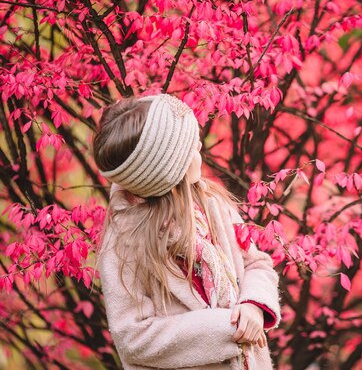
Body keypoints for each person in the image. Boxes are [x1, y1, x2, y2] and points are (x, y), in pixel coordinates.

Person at [92, 93, 281, 370]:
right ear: (169, 172)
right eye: (191, 147)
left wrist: (253, 305)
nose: (200, 145)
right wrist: (228, 327)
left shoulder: (212, 204)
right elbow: (133, 337)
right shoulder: (126, 241)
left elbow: (256, 263)